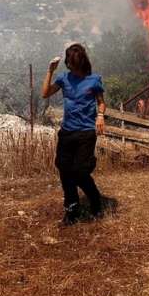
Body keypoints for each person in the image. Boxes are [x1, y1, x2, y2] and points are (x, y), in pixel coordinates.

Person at [41, 43, 107, 225]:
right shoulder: (63, 78)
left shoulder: (94, 80)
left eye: (75, 63)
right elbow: (45, 93)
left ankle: (95, 201)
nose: (73, 67)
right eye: (71, 63)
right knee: (64, 170)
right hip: (67, 132)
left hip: (86, 132)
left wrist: (100, 116)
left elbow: (101, 102)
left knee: (79, 172)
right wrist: (50, 71)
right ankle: (72, 211)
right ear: (68, 63)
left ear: (81, 62)